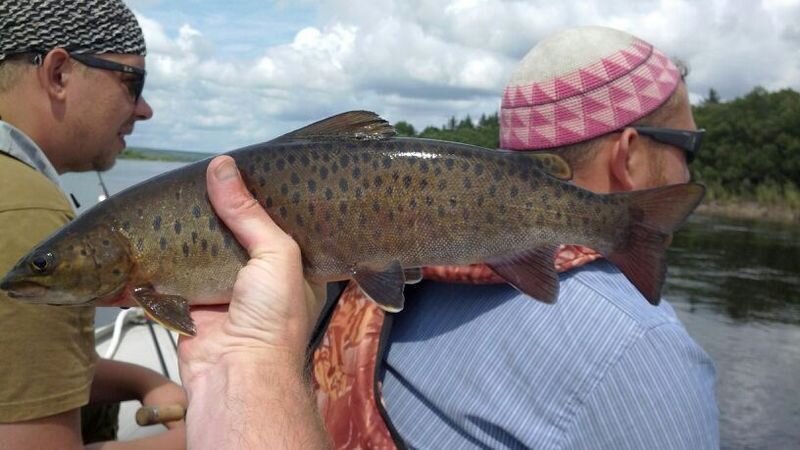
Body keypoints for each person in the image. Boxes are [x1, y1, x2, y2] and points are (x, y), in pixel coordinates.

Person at [0, 1, 186, 448]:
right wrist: (223, 431)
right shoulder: (28, 212)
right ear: (59, 74)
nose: (145, 110)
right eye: (132, 83)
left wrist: (143, 381)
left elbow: (17, 369)